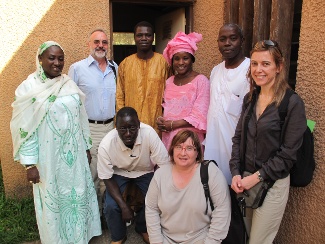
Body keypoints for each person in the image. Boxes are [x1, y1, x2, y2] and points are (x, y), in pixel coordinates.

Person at [10, 41, 101, 243]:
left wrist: (86, 146)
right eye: (52, 58)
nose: (57, 63)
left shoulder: (68, 83)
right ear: (40, 59)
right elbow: (25, 129)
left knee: (77, 193)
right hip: (47, 158)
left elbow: (81, 116)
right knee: (53, 197)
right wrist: (30, 164)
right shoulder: (29, 88)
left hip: (74, 154)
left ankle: (79, 236)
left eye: (60, 58)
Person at [230, 40, 306, 243]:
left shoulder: (292, 103)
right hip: (245, 179)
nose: (258, 69)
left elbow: (288, 154)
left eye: (265, 64)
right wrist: (236, 172)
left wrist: (255, 178)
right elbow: (238, 138)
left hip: (272, 183)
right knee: (247, 236)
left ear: (279, 67)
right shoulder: (250, 98)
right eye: (254, 64)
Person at [97, 107, 170, 244]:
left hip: (145, 171)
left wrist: (158, 187)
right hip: (119, 172)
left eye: (132, 128)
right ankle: (118, 236)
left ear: (139, 125)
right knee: (110, 206)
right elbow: (106, 177)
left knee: (157, 198)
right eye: (123, 129)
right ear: (116, 127)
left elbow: (164, 165)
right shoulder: (106, 144)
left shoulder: (149, 133)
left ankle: (142, 227)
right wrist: (124, 207)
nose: (128, 134)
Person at [146, 129, 231, 243]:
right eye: (178, 147)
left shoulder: (211, 172)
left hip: (200, 240)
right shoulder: (160, 174)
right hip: (166, 240)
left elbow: (222, 210)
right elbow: (151, 209)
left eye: (189, 148)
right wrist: (157, 241)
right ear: (172, 150)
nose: (183, 153)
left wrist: (211, 241)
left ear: (197, 153)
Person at [68, 29, 118, 213]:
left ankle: (108, 213)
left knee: (111, 171)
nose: (100, 45)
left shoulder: (115, 68)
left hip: (112, 127)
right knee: (93, 174)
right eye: (96, 41)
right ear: (89, 44)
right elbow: (70, 103)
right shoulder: (77, 69)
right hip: (90, 128)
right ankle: (93, 215)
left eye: (104, 42)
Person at [204, 23, 250, 185]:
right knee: (213, 186)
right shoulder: (215, 70)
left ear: (242, 40)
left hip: (235, 147)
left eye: (233, 38)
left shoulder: (250, 69)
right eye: (222, 39)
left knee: (234, 189)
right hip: (212, 144)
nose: (227, 43)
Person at [157, 32, 210, 151]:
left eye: (185, 58)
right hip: (169, 139)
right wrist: (161, 120)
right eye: (176, 59)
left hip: (190, 140)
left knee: (189, 168)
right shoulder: (169, 81)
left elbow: (199, 116)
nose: (181, 62)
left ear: (192, 59)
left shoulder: (201, 81)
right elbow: (167, 108)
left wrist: (172, 125)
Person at [116, 21, 170, 133]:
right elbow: (120, 96)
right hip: (131, 126)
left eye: (148, 35)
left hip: (157, 125)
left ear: (153, 37)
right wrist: (121, 121)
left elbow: (171, 93)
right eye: (139, 35)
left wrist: (166, 117)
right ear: (134, 38)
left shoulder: (163, 63)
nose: (144, 38)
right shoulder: (125, 64)